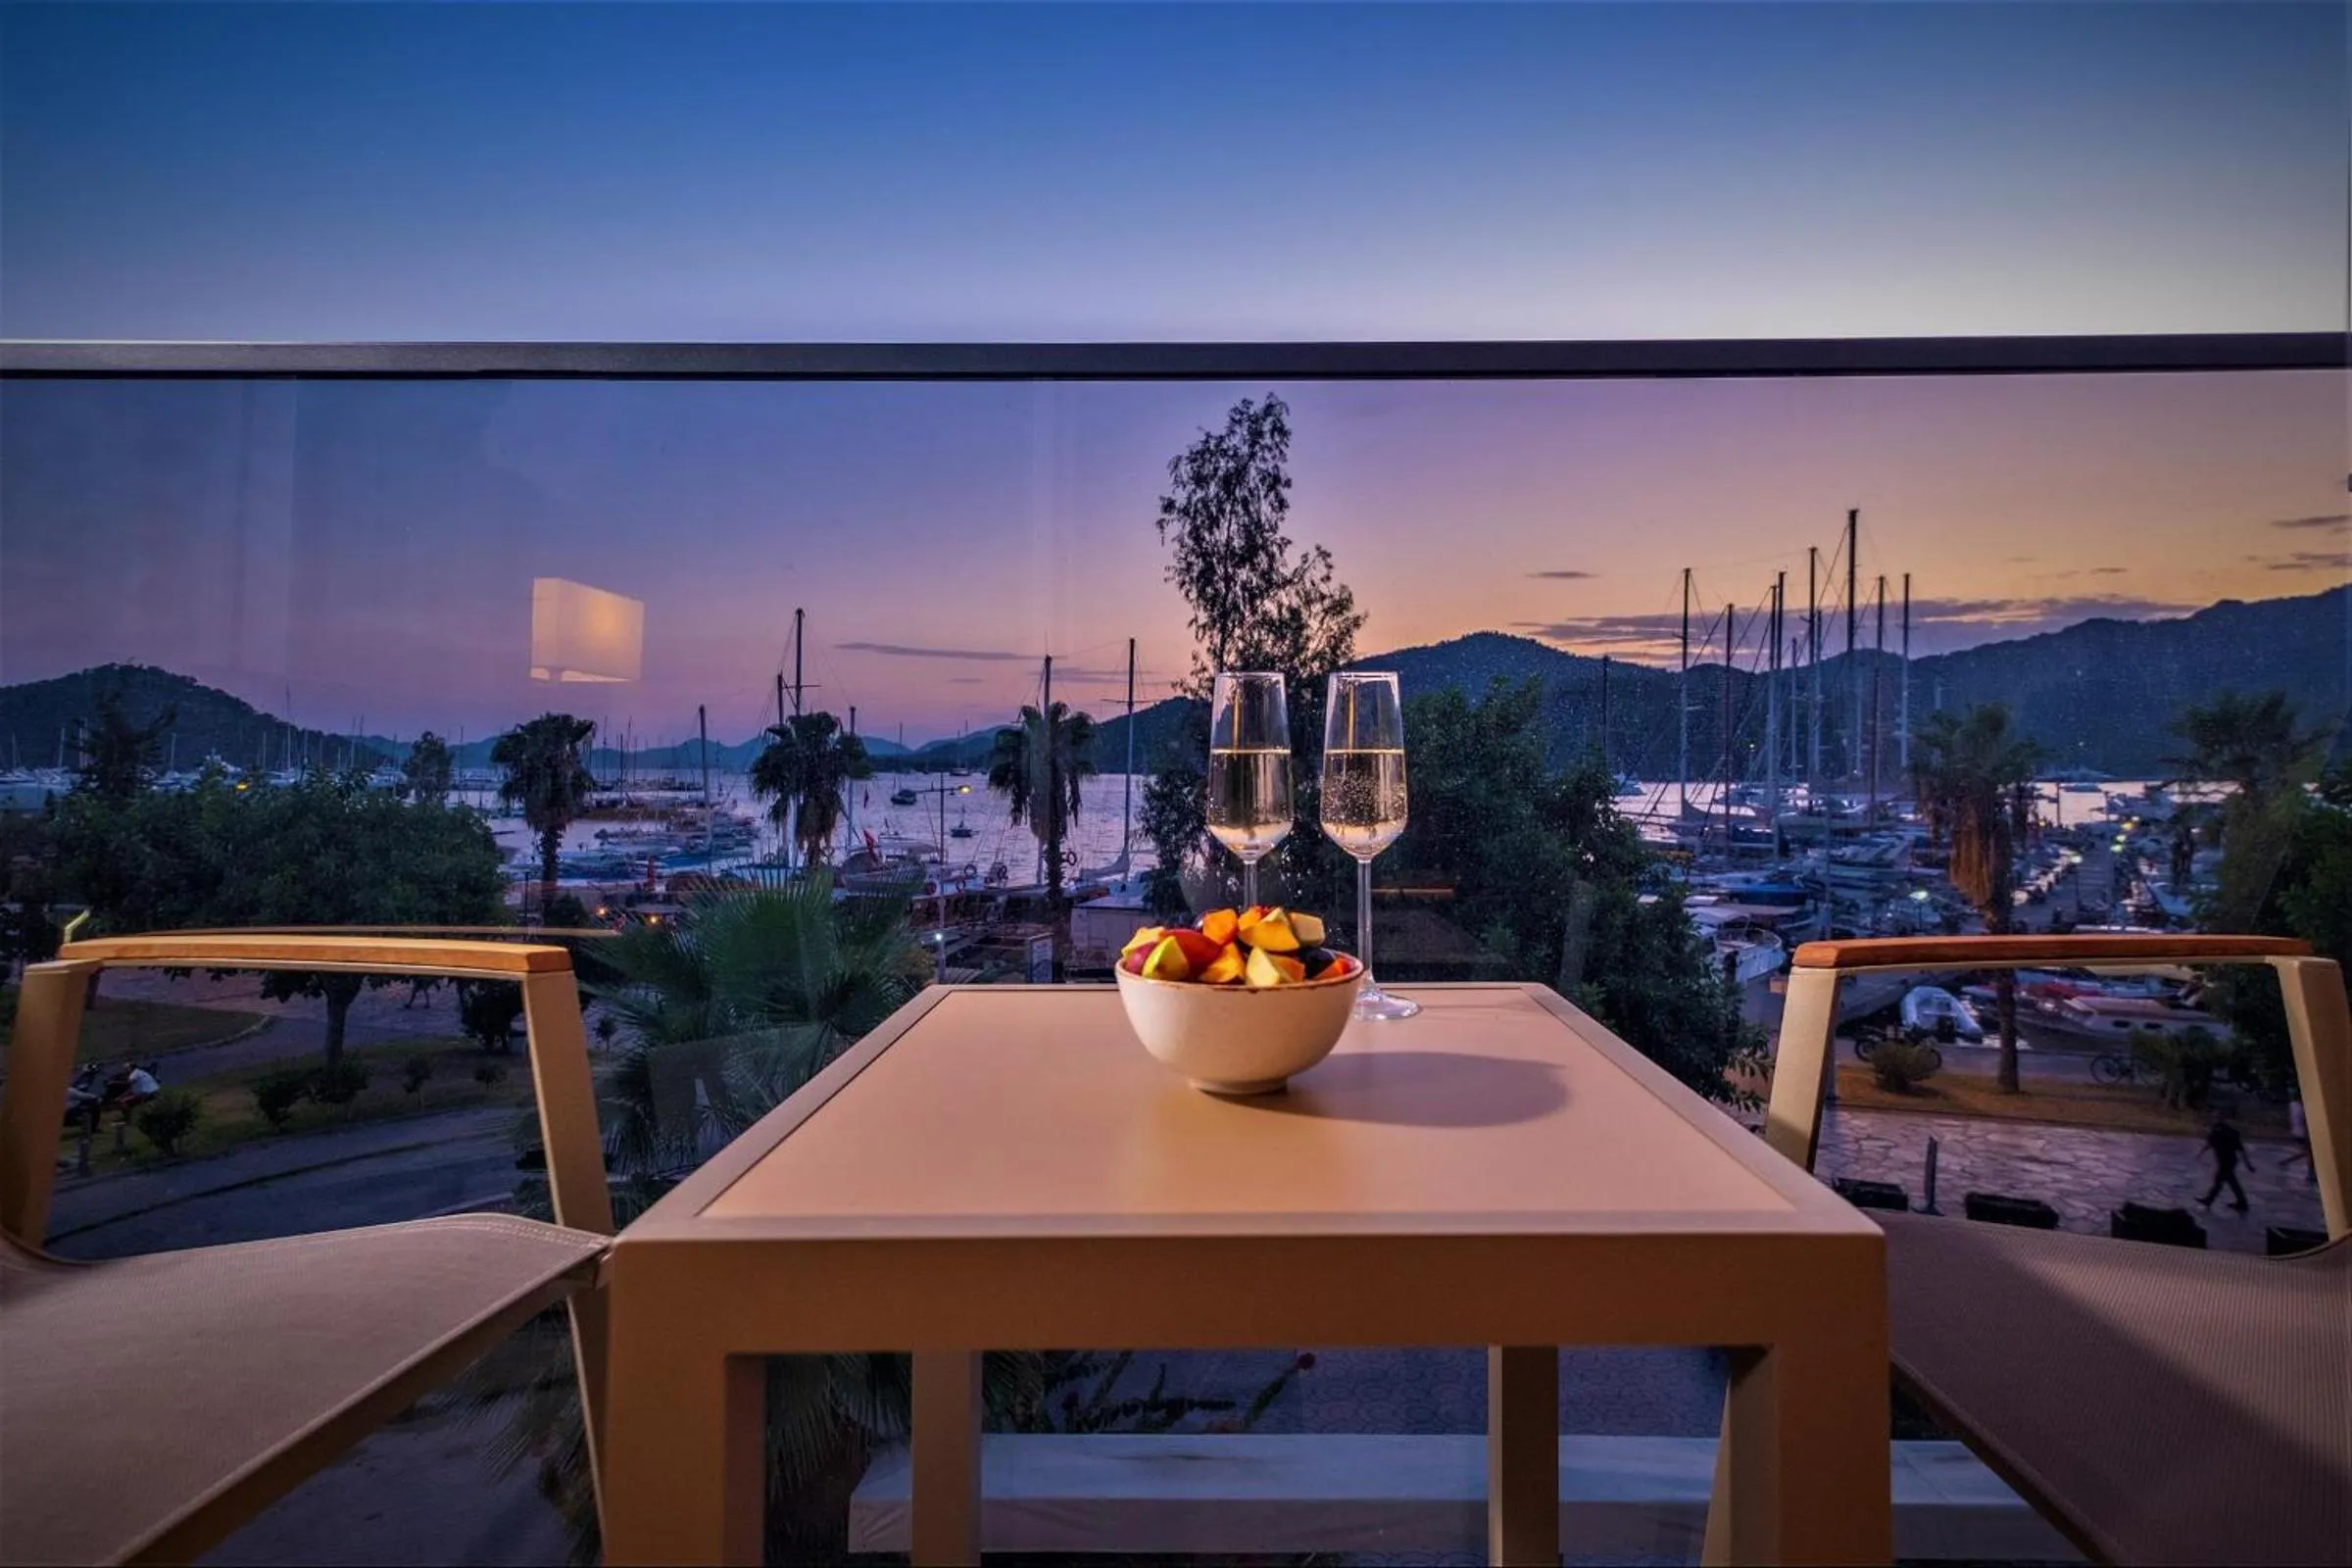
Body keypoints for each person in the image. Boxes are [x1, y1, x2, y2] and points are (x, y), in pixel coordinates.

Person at [2197, 1111, 2254, 1212]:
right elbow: (2240, 1149)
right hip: (2229, 1161)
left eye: (2216, 1117)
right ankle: (2242, 1203)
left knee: (2220, 1181)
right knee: (2229, 1182)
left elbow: (2239, 1148)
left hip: (2226, 1162)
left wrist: (2201, 1153)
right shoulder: (2225, 1131)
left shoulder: (2223, 1131)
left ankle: (2209, 1200)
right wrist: (2248, 1164)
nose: (2214, 1119)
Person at [2281, 1098, 2316, 1186]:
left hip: (2296, 1132)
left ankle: (2311, 1173)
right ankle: (2311, 1174)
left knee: (2309, 1152)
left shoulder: (2293, 1104)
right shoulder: (2302, 1106)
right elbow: (2305, 1121)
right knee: (2310, 1153)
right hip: (2303, 1133)